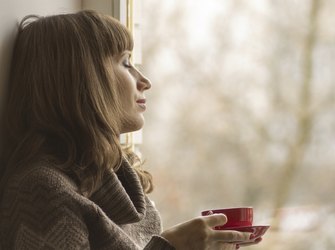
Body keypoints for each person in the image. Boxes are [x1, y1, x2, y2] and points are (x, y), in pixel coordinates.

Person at [0, 10, 261, 249]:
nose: (145, 81)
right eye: (125, 63)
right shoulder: (41, 193)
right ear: (86, 79)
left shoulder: (121, 188)